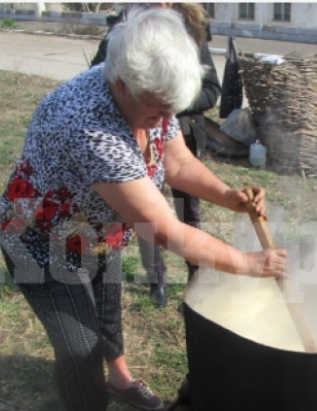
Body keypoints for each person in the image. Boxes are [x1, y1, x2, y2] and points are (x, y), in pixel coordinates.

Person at [0, 7, 287, 411]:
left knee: (107, 308)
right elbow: (164, 230)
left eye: (169, 110)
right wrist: (247, 263)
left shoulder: (150, 96)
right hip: (41, 239)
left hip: (96, 229)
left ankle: (120, 377)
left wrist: (229, 197)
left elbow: (177, 161)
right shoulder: (90, 128)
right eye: (155, 110)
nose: (163, 120)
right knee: (78, 343)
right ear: (121, 85)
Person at [91, 3, 221, 308]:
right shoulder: (124, 33)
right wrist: (248, 263)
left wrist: (169, 102)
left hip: (183, 133)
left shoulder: (189, 29)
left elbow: (211, 90)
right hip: (133, 140)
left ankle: (196, 279)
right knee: (151, 218)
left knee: (189, 212)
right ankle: (157, 281)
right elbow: (161, 226)